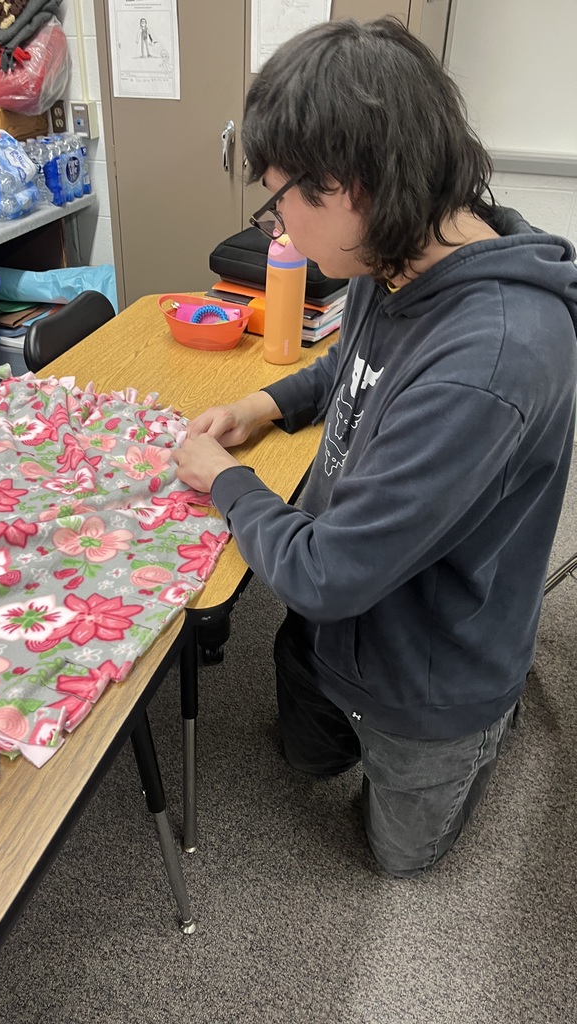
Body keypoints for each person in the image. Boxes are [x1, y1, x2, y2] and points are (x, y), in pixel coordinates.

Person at [172, 17, 577, 878]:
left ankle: (486, 727)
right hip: (340, 624)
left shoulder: (492, 358)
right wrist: (265, 402)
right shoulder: (400, 255)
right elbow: (354, 367)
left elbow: (327, 572)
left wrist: (228, 482)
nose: (276, 225)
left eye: (280, 197)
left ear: (349, 186)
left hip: (429, 673)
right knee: (304, 753)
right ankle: (341, 707)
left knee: (397, 859)